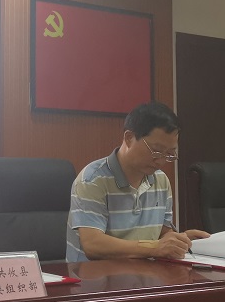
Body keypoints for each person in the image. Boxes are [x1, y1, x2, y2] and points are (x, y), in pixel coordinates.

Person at [66, 101, 208, 262]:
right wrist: (155, 247)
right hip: (94, 276)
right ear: (129, 138)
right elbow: (93, 245)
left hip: (144, 274)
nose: (161, 161)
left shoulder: (161, 180)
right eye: (156, 151)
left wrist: (180, 240)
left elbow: (162, 233)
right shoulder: (93, 180)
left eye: (169, 154)